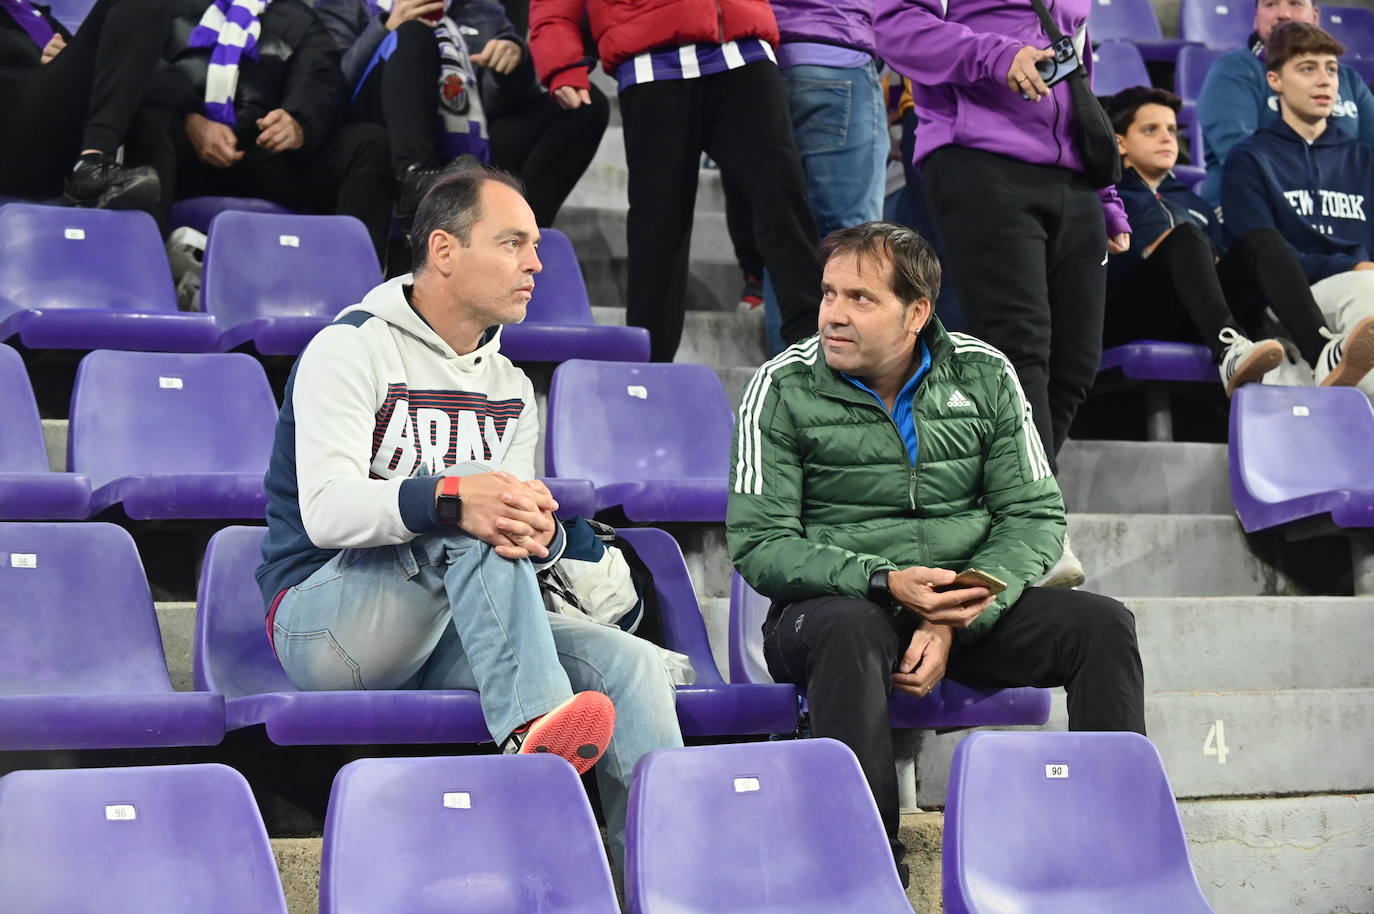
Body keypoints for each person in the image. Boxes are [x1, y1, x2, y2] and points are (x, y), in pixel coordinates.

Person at [256, 166, 683, 866]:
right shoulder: (349, 347)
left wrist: (541, 535)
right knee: (471, 516)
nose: (536, 263)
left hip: (454, 623)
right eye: (513, 243)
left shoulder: (512, 387)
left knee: (630, 667)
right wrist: (455, 498)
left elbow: (505, 529)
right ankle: (533, 738)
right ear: (446, 251)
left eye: (537, 246)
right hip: (326, 621)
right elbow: (328, 512)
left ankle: (667, 884)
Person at [727, 221, 1145, 885]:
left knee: (1101, 627)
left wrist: (955, 612)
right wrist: (882, 578)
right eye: (829, 293)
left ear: (916, 312)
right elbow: (760, 543)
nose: (832, 314)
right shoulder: (781, 387)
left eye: (860, 299)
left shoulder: (985, 374)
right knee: (850, 625)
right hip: (831, 613)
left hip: (958, 601)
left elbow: (1034, 517)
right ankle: (865, 874)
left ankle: (1114, 862)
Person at [875, 0, 1131, 587]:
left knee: (1077, 362)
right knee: (1021, 347)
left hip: (1072, 177)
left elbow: (1077, 64)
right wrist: (998, 55)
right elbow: (895, 29)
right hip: (979, 159)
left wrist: (1106, 191)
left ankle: (1000, 506)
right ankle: (1035, 523)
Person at [528, 0, 822, 362]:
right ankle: (649, 371)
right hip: (650, 60)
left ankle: (817, 354)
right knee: (658, 228)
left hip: (743, 50)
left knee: (784, 201)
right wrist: (561, 62)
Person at [1106, 86, 1374, 392]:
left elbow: (1222, 266)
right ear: (1120, 142)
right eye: (1151, 130)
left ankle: (1322, 350)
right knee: (1187, 239)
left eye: (1172, 129)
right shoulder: (1107, 197)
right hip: (1134, 312)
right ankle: (1229, 351)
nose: (1168, 138)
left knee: (1261, 241)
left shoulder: (1196, 205)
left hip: (1197, 313)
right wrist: (1148, 253)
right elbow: (1096, 268)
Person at [124, 0, 393, 260]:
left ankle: (353, 288)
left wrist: (299, 122)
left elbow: (323, 78)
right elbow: (140, 64)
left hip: (268, 160)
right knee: (150, 116)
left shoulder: (297, 17)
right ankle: (139, 265)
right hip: (182, 159)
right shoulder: (166, 6)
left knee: (368, 142)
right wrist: (189, 117)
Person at [316, 0, 607, 228]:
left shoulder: (481, 9)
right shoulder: (345, 3)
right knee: (414, 32)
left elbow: (494, 102)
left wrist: (511, 65)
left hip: (468, 144)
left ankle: (520, 227)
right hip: (379, 135)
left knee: (584, 103)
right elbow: (328, 89)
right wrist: (386, 27)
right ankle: (416, 182)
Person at [722, 0, 887, 354]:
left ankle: (790, 381)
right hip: (838, 53)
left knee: (785, 229)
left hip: (762, 66)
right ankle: (841, 385)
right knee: (851, 237)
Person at [1222, 23, 1374, 397]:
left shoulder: (1363, 160)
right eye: (1307, 68)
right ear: (1275, 80)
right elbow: (1260, 255)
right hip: (1291, 299)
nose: (1324, 80)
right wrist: (1349, 265)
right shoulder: (1249, 159)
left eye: (1331, 69)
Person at [1196, 0, 1374, 206]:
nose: (1284, 14)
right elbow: (1240, 157)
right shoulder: (1233, 70)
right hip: (1252, 208)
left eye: (1295, 4)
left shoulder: (1349, 80)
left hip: (1342, 209)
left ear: (1315, 17)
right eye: (1271, 5)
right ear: (1256, 18)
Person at [0, 0, 167, 208]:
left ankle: (158, 236)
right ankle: (93, 161)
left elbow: (121, 63)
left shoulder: (32, 13)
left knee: (152, 105)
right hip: (11, 135)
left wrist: (190, 112)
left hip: (53, 133)